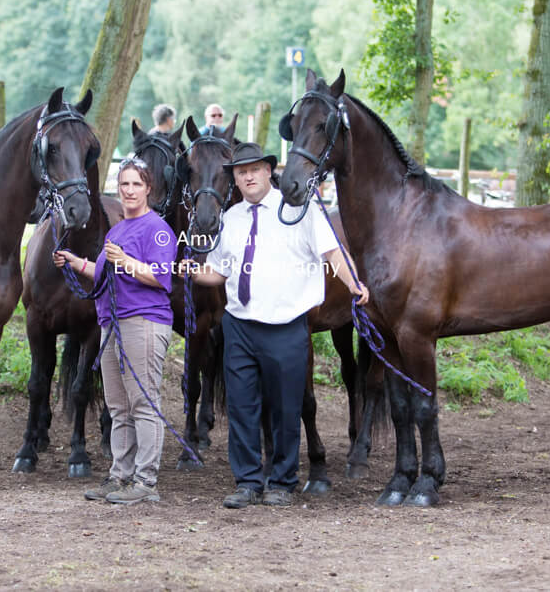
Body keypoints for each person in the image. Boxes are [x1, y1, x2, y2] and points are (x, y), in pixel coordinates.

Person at [182, 142, 369, 509]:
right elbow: (219, 271)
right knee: (241, 407)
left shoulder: (300, 210)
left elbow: (332, 251)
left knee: (285, 408)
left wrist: (353, 283)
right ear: (234, 180)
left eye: (255, 169)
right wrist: (190, 272)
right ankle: (248, 482)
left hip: (285, 325)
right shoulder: (231, 218)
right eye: (241, 172)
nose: (248, 176)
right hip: (240, 325)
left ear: (269, 171)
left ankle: (282, 481)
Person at [53, 157, 176, 505]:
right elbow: (107, 273)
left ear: (148, 188)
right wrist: (77, 263)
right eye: (124, 184)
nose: (130, 190)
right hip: (111, 325)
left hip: (143, 322)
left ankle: (145, 480)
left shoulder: (157, 229)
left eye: (137, 184)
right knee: (118, 406)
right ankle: (120, 475)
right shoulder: (117, 230)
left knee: (143, 403)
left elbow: (160, 277)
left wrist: (125, 261)